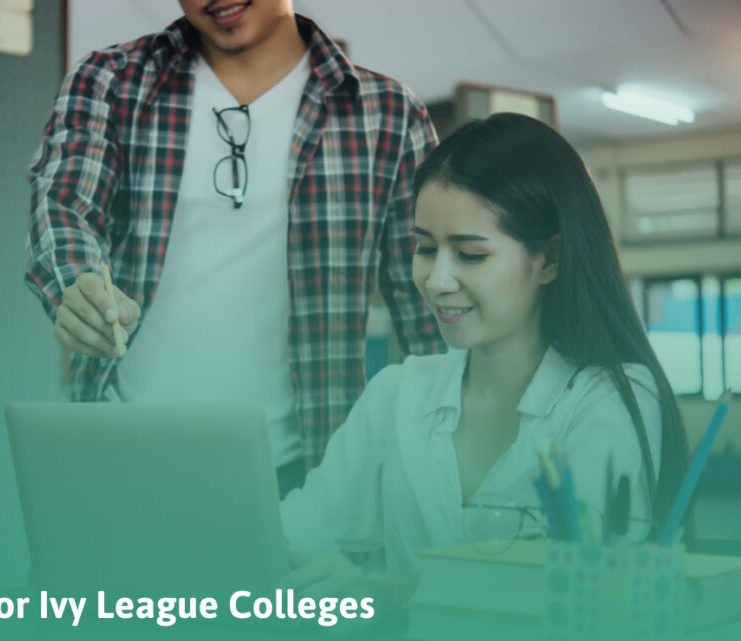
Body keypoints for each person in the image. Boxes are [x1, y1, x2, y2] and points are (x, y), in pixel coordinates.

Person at [24, 1, 442, 495]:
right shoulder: (110, 81)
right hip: (115, 457)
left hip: (305, 477)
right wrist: (76, 283)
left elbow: (429, 315)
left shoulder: (388, 114)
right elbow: (65, 204)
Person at [279, 113, 689, 607]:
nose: (436, 281)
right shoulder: (397, 394)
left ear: (550, 260)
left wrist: (383, 595)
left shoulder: (613, 396)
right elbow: (290, 535)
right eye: (425, 248)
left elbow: (578, 586)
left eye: (470, 255)